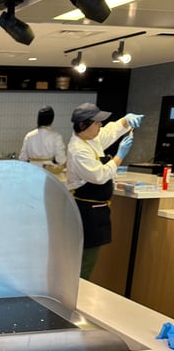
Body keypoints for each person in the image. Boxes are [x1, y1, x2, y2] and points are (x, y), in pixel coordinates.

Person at [65, 102, 144, 279]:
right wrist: (119, 156)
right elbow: (99, 176)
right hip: (86, 212)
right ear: (83, 125)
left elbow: (110, 131)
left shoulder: (91, 139)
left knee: (90, 257)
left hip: (96, 211)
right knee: (85, 260)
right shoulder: (78, 150)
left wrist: (126, 120)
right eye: (97, 122)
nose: (101, 125)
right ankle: (78, 292)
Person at [18, 105, 66, 176]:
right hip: (49, 172)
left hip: (31, 170)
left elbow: (22, 158)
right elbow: (61, 160)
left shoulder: (29, 136)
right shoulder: (56, 137)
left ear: (38, 119)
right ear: (51, 120)